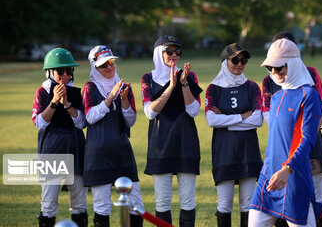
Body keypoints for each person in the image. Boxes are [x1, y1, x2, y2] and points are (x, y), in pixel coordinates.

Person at [249, 38, 322, 227]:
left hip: (294, 178)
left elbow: (307, 140)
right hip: (267, 177)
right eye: (270, 68)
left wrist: (287, 169)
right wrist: (270, 171)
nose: (274, 73)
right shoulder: (275, 98)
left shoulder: (309, 96)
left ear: (292, 64)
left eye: (279, 67)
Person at [141, 35, 202, 227]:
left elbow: (193, 111)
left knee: (187, 201)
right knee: (162, 201)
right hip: (160, 146)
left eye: (177, 51)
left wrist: (183, 84)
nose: (174, 55)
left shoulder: (189, 76)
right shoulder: (148, 78)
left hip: (186, 143)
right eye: (169, 51)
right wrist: (171, 86)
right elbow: (150, 113)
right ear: (159, 54)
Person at [82, 45, 144, 227]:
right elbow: (90, 117)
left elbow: (130, 121)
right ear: (95, 67)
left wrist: (124, 101)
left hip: (122, 152)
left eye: (111, 62)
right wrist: (110, 98)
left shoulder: (124, 87)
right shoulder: (90, 88)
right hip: (98, 154)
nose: (109, 67)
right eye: (103, 65)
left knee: (136, 203)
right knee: (102, 206)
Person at [205, 43, 263, 227]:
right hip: (224, 153)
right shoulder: (213, 88)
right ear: (225, 62)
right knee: (225, 204)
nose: (239, 64)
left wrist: (227, 120)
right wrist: (242, 116)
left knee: (248, 204)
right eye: (235, 60)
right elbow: (212, 120)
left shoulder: (252, 87)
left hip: (249, 151)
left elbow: (258, 120)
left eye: (243, 60)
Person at [32, 48, 88, 227]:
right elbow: (40, 123)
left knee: (79, 203)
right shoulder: (42, 92)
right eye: (60, 71)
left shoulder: (76, 93)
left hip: (76, 149)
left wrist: (68, 105)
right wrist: (54, 102)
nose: (65, 75)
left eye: (69, 71)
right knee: (49, 204)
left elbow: (81, 123)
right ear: (50, 72)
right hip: (52, 150)